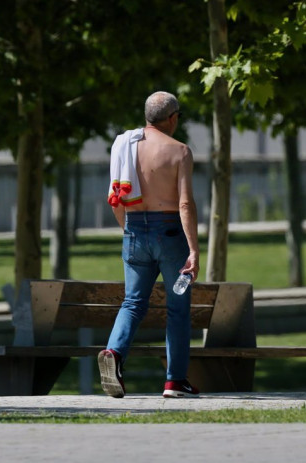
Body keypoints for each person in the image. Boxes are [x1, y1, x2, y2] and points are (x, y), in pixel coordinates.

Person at [98, 91, 200, 399]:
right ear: (172, 118)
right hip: (169, 233)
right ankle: (174, 381)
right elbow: (185, 204)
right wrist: (194, 249)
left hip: (134, 230)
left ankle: (114, 352)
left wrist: (130, 232)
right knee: (178, 309)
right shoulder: (179, 151)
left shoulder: (124, 146)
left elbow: (116, 199)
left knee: (133, 302)